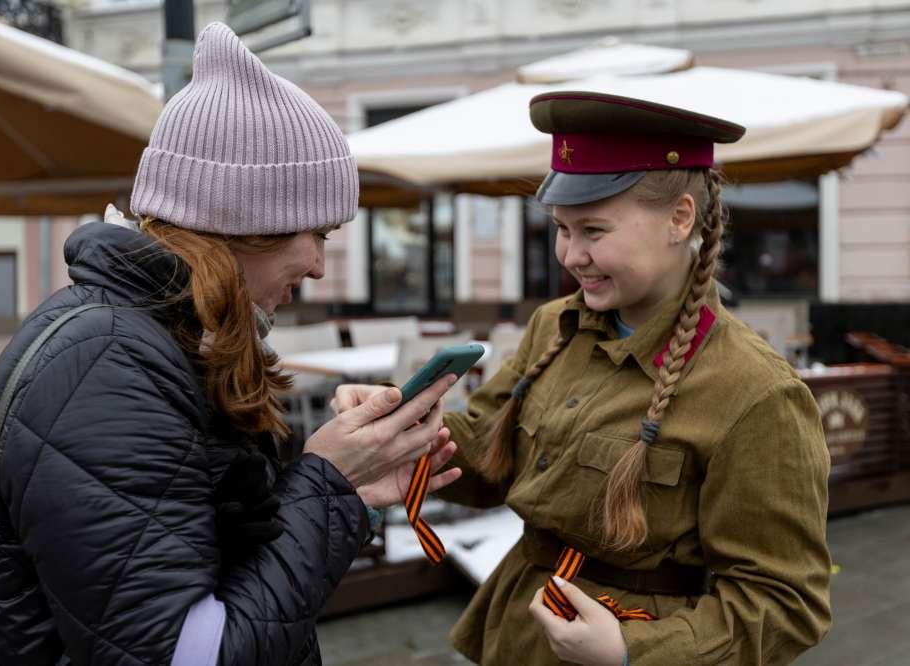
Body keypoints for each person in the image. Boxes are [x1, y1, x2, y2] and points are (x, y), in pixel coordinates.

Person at [0, 22, 461, 666]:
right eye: (319, 235)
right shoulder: (110, 366)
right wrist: (328, 483)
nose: (318, 268)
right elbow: (190, 654)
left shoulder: (156, 343)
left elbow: (205, 553)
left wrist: (348, 484)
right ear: (250, 222)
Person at [333, 92, 832, 665]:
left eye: (593, 229)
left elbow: (786, 603)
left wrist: (630, 651)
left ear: (679, 218)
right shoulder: (555, 324)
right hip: (517, 632)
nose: (570, 254)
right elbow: (490, 458)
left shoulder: (756, 393)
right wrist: (402, 430)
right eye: (561, 228)